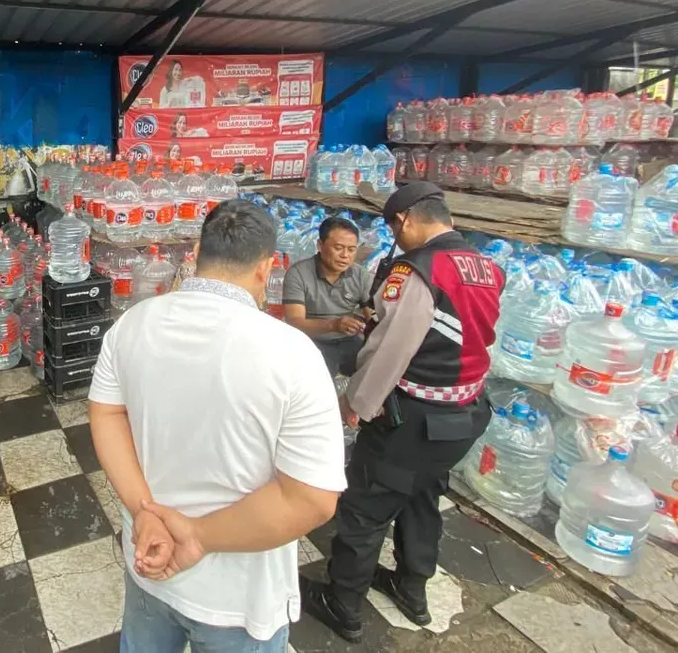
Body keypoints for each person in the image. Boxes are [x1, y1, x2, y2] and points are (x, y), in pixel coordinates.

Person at [88, 200, 346, 652]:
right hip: (237, 601)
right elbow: (311, 499)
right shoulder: (293, 354)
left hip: (148, 559)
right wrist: (197, 537)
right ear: (266, 268)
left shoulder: (132, 324)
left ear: (195, 253)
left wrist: (144, 511)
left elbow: (106, 414)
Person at [300, 182, 503, 643]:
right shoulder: (485, 265)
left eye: (394, 230)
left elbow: (389, 350)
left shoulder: (418, 271)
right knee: (421, 498)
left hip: (414, 418)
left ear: (406, 220)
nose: (396, 239)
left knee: (365, 508)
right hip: (465, 412)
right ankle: (411, 588)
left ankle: (343, 603)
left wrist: (354, 403)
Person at [283, 217, 373, 376]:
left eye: (351, 249)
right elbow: (294, 323)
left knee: (374, 369)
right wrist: (333, 325)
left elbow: (373, 316)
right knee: (317, 377)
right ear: (320, 245)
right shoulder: (298, 274)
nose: (345, 255)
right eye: (338, 248)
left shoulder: (361, 276)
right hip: (311, 340)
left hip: (348, 340)